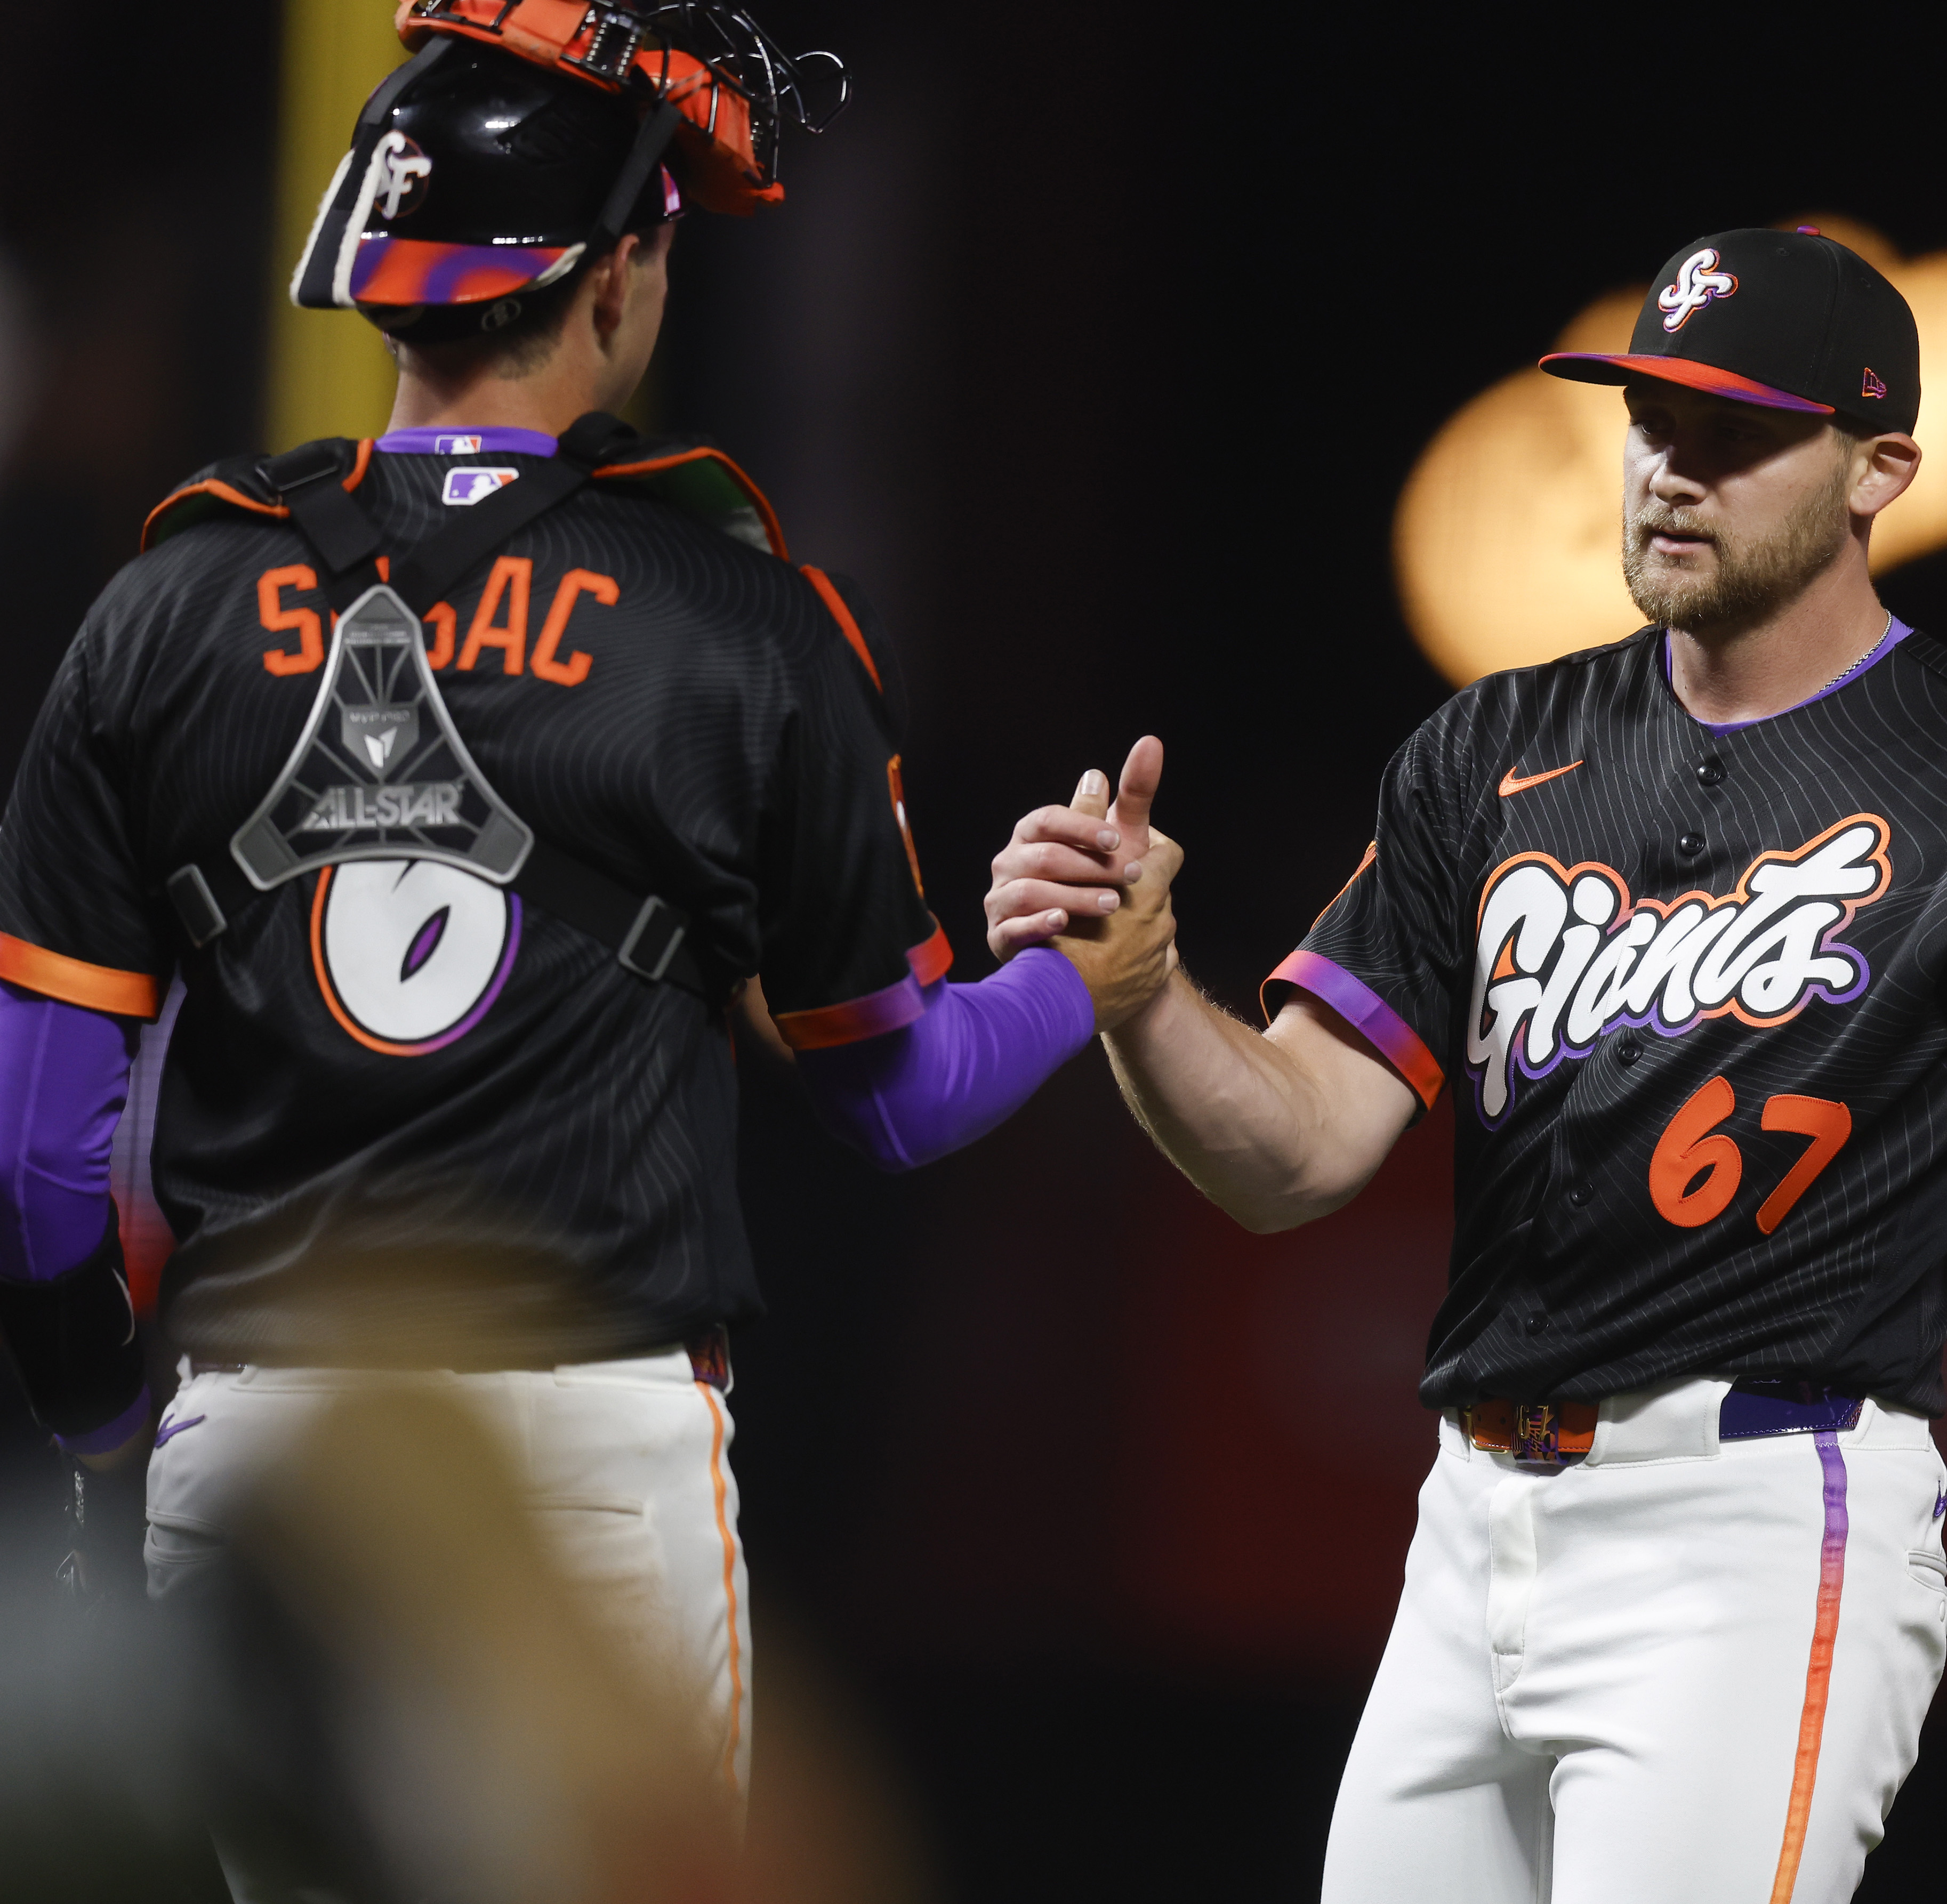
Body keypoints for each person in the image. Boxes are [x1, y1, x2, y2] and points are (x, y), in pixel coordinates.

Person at [0, 4, 1166, 1884]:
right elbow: (898, 1093)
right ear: (619, 277)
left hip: (264, 1459)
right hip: (584, 1462)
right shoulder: (736, 618)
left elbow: (44, 1144)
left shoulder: (163, 606)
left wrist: (110, 1411)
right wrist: (1079, 984)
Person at [986, 228, 1947, 1901]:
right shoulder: (1491, 749)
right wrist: (1144, 995)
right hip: (1469, 1532)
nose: (1672, 469)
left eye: (1736, 432)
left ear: (1881, 468)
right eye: (1652, 419)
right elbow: (1293, 1155)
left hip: (1756, 1519)